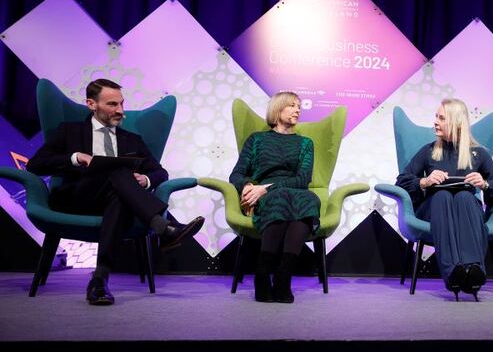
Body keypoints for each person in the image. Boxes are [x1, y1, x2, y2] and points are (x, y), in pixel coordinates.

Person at [27, 79, 205, 305]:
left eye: (121, 104)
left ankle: (99, 279)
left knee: (119, 189)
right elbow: (35, 165)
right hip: (76, 198)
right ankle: (162, 226)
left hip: (117, 200)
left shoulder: (132, 140)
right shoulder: (70, 131)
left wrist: (146, 179)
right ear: (91, 104)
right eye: (112, 104)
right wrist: (75, 157)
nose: (120, 111)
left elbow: (160, 172)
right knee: (119, 171)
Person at [395, 98, 493, 300]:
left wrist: (484, 184)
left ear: (457, 124)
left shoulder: (478, 154)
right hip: (433, 209)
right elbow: (402, 182)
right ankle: (453, 273)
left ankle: (474, 270)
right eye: (436, 117)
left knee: (466, 197)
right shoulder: (429, 151)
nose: (435, 122)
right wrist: (425, 181)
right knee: (441, 196)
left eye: (442, 118)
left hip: (466, 210)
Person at [229, 91, 320, 304]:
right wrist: (248, 186)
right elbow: (237, 174)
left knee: (310, 199)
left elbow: (303, 178)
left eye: (299, 106)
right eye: (292, 106)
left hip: (290, 189)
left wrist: (266, 188)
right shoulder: (257, 140)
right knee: (281, 198)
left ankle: (283, 276)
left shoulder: (306, 143)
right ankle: (263, 275)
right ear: (278, 109)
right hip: (267, 195)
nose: (298, 110)